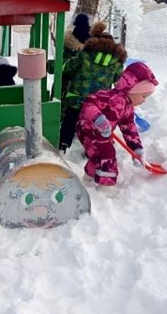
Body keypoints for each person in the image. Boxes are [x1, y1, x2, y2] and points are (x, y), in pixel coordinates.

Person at [76, 61, 158, 195]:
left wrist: (136, 148)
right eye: (143, 96)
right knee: (107, 154)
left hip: (101, 134)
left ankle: (88, 178)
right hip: (88, 129)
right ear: (132, 88)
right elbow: (89, 104)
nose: (144, 100)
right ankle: (105, 187)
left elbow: (129, 127)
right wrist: (99, 119)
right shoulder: (111, 97)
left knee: (97, 155)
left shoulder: (128, 107)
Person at [59, 21, 127, 152]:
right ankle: (91, 150)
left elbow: (67, 67)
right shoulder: (117, 62)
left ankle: (63, 145)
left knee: (70, 122)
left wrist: (51, 65)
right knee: (95, 126)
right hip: (99, 104)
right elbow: (118, 80)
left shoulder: (84, 55)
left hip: (76, 100)